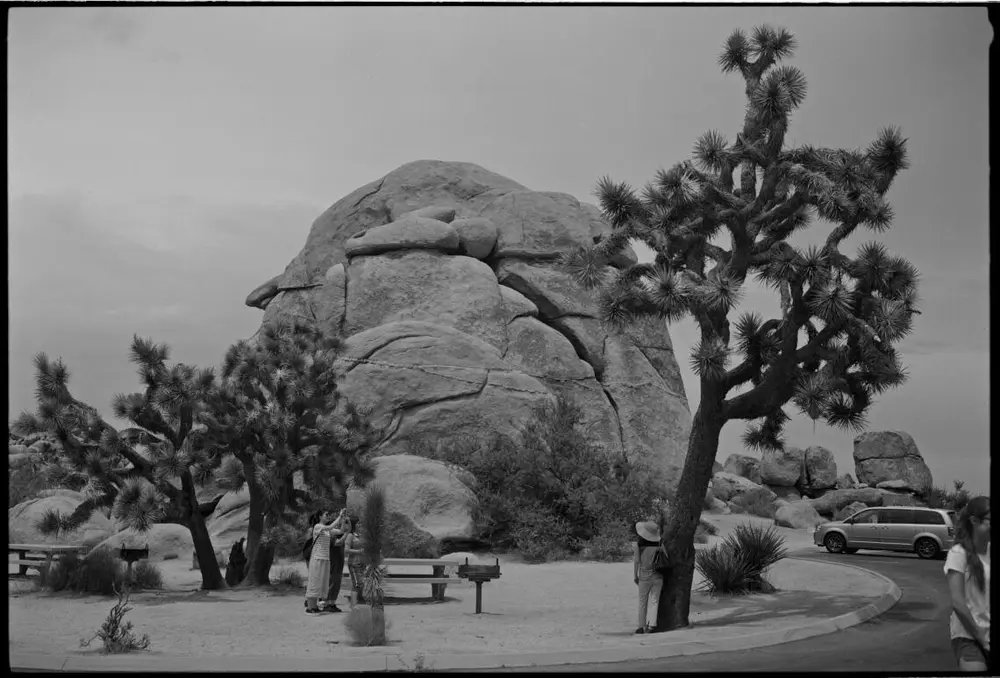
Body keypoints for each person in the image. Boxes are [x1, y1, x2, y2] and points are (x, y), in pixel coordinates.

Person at [944, 496, 991, 672]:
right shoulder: (958, 554)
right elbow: (958, 603)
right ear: (974, 521)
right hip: (968, 635)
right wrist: (981, 637)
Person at [304, 508, 346, 614]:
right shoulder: (318, 527)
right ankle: (310, 607)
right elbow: (330, 526)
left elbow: (341, 531)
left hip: (325, 559)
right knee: (314, 582)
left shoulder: (328, 530)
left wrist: (344, 519)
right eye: (326, 514)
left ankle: (315, 606)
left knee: (321, 583)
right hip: (317, 558)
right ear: (320, 516)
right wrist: (340, 517)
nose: (328, 516)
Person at [633, 520, 664, 634]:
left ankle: (641, 626)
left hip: (644, 576)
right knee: (655, 601)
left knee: (642, 602)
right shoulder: (660, 546)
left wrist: (635, 575)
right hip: (658, 576)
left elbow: (637, 561)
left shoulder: (638, 545)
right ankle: (652, 625)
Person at [337, 515, 365, 609]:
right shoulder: (350, 535)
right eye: (359, 523)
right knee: (356, 584)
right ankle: (353, 605)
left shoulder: (360, 535)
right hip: (354, 563)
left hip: (362, 563)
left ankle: (357, 602)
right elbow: (346, 550)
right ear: (354, 525)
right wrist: (358, 551)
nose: (361, 525)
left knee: (360, 583)